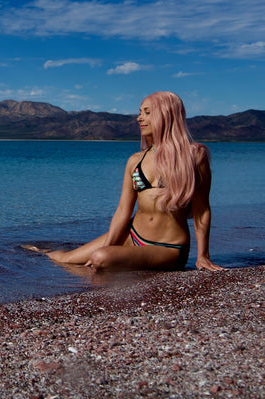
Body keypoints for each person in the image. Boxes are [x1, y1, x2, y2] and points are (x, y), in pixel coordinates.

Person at [27, 91, 224, 272]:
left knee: (100, 258)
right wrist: (109, 244)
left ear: (166, 114)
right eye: (139, 113)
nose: (139, 118)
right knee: (65, 259)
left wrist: (203, 256)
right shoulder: (135, 160)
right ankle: (40, 252)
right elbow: (123, 210)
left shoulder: (195, 156)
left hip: (168, 248)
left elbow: (202, 209)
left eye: (147, 113)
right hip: (132, 234)